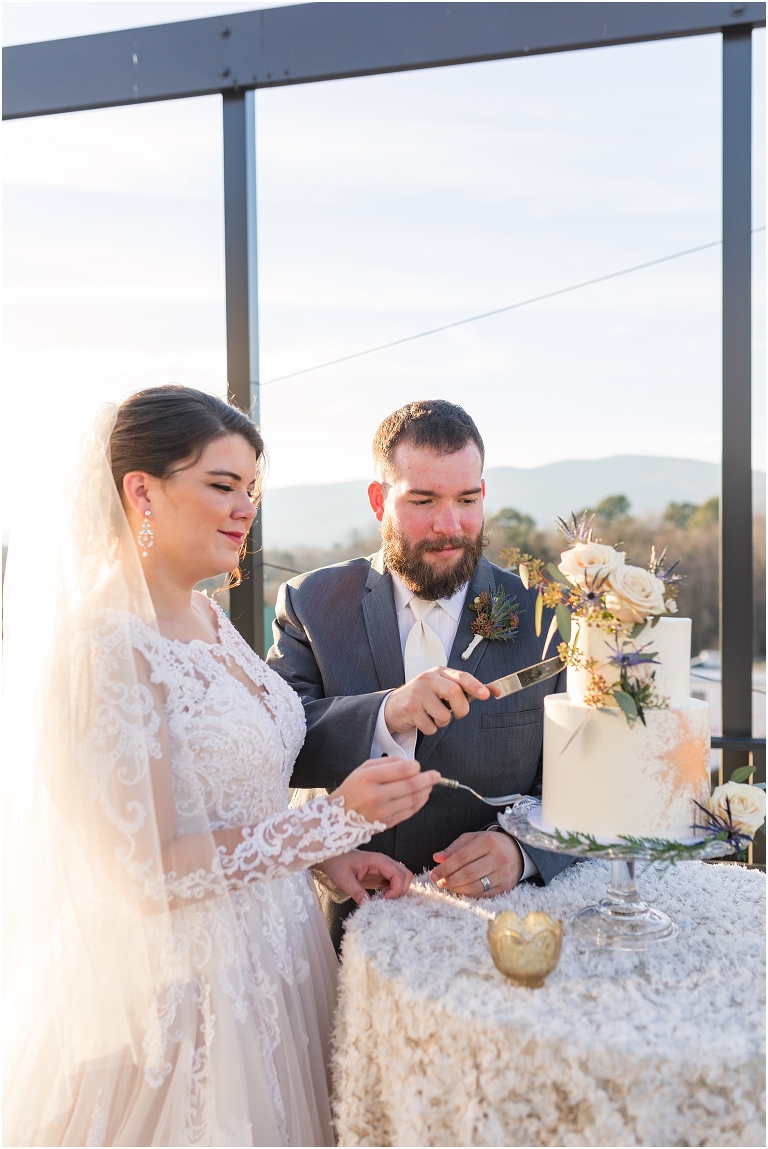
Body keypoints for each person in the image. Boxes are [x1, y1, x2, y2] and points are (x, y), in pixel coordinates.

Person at [2, 385, 439, 1147]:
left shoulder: (207, 614)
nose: (245, 509)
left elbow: (235, 800)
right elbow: (149, 874)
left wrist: (328, 856)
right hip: (182, 1002)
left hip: (277, 965)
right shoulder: (103, 649)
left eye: (252, 490)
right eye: (221, 484)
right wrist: (335, 815)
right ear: (142, 490)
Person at [268, 400, 571, 946]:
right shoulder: (311, 603)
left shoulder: (542, 612)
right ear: (379, 499)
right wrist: (386, 713)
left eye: (467, 499)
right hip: (347, 925)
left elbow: (582, 780)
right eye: (423, 500)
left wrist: (526, 852)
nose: (448, 525)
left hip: (507, 931)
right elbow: (275, 746)